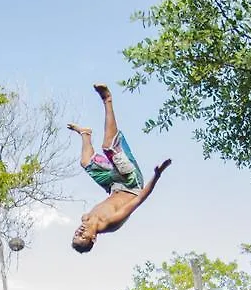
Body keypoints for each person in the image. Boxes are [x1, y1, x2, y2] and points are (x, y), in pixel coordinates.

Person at [67, 83, 172, 253]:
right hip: (131, 183)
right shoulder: (110, 222)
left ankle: (85, 134)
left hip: (113, 185)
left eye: (75, 235)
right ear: (94, 238)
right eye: (83, 236)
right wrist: (157, 175)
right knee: (109, 147)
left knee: (86, 162)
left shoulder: (86, 218)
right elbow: (139, 199)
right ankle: (107, 99)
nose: (79, 232)